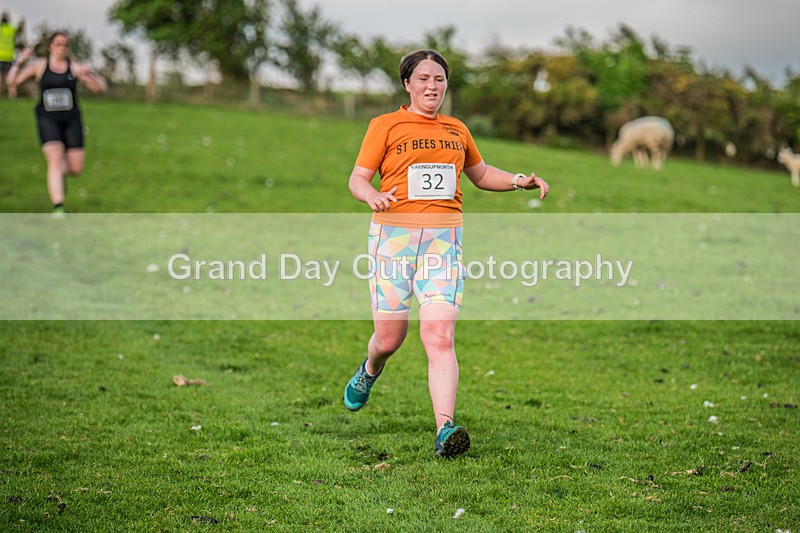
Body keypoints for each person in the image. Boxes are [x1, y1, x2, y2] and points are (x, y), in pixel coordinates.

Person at [343, 49, 549, 458]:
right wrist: (372, 196)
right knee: (389, 338)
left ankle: (445, 429)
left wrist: (518, 181)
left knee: (439, 334)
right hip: (393, 239)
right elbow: (358, 177)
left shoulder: (457, 130)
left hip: (443, 243)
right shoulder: (385, 125)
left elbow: (481, 173)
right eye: (422, 79)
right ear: (407, 84)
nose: (431, 87)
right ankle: (370, 370)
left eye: (439, 79)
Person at [7, 32, 107, 215]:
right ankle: (58, 207)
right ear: (51, 46)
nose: (62, 48)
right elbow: (12, 81)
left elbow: (100, 89)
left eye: (65, 45)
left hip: (72, 119)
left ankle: (58, 178)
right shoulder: (39, 66)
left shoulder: (74, 68)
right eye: (58, 44)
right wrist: (19, 62)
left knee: (75, 168)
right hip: (47, 119)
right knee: (55, 160)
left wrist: (91, 73)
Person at [0, 12, 18, 96]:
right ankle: (12, 97)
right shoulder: (12, 29)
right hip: (9, 57)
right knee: (10, 79)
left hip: (0, 57)